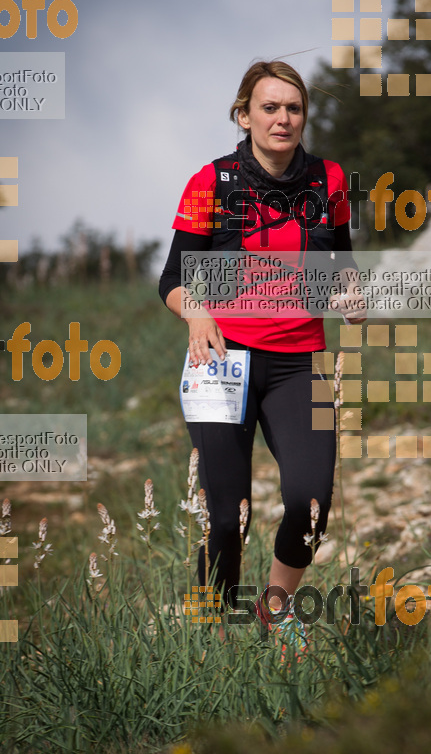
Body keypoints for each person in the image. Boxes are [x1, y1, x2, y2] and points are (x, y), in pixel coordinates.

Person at [159, 60, 365, 650]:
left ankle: (276, 608)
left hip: (299, 362)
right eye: (269, 107)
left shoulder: (330, 181)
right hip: (223, 362)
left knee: (310, 498)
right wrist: (196, 311)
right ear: (243, 114)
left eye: (293, 108)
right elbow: (172, 278)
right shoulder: (211, 182)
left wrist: (350, 294)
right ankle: (213, 632)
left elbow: (338, 268)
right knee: (227, 516)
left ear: (305, 117)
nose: (282, 118)